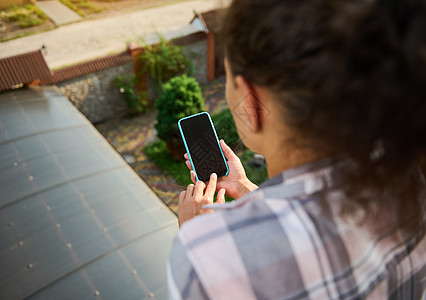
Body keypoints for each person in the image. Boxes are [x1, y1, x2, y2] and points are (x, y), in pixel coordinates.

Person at [167, 0, 426, 299]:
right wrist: (246, 189)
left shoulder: (210, 258)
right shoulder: (410, 182)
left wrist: (197, 240)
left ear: (251, 101)